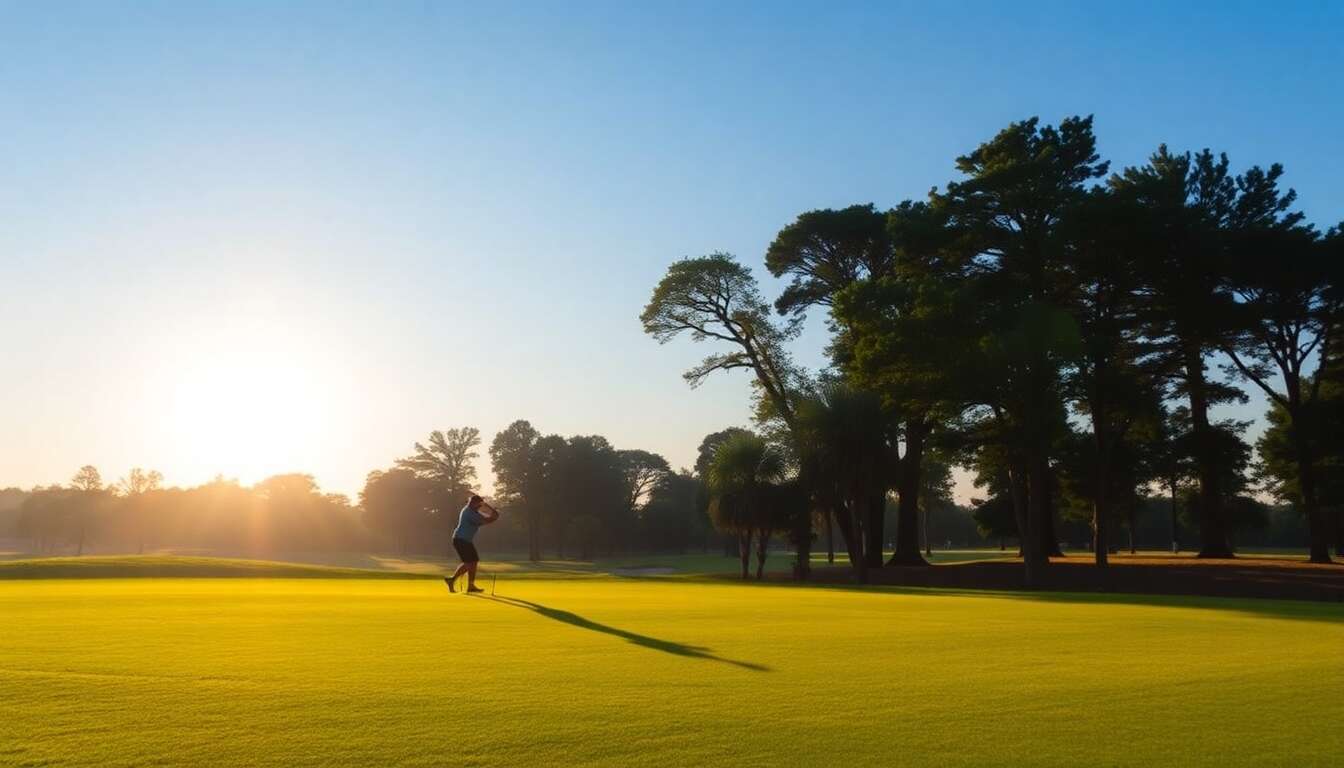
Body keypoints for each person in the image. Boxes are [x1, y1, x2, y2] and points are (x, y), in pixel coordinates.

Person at [446, 495, 499, 593]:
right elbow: (486, 520)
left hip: (465, 540)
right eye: (479, 504)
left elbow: (486, 517)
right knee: (470, 563)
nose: (480, 506)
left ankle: (461, 583)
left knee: (472, 562)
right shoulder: (469, 512)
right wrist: (494, 516)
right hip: (460, 540)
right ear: (474, 504)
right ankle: (459, 582)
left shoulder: (473, 511)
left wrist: (493, 515)